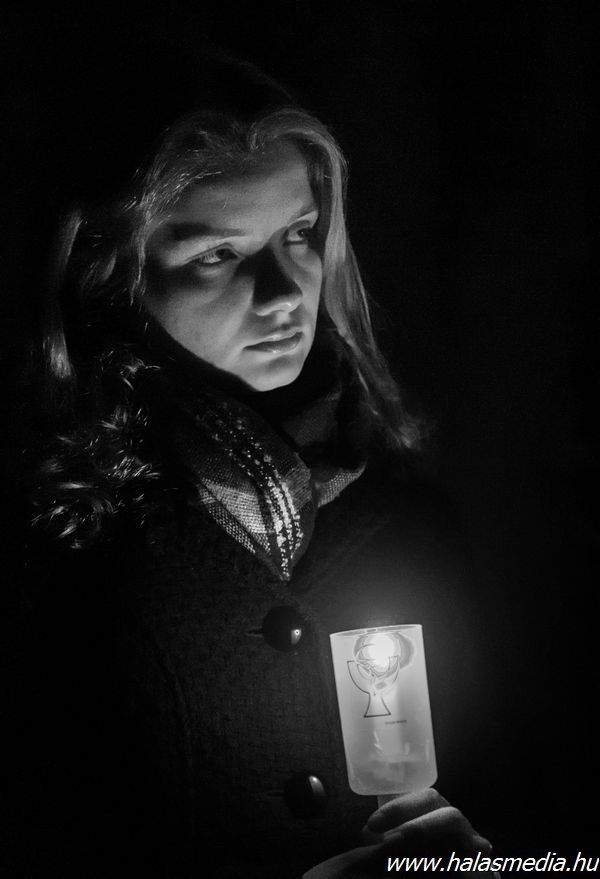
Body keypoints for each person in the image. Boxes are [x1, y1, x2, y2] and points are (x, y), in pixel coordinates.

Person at [3, 53, 499, 879]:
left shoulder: (408, 518)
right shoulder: (53, 544)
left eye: (299, 235)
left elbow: (538, 821)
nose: (283, 293)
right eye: (217, 255)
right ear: (111, 272)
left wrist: (477, 867)